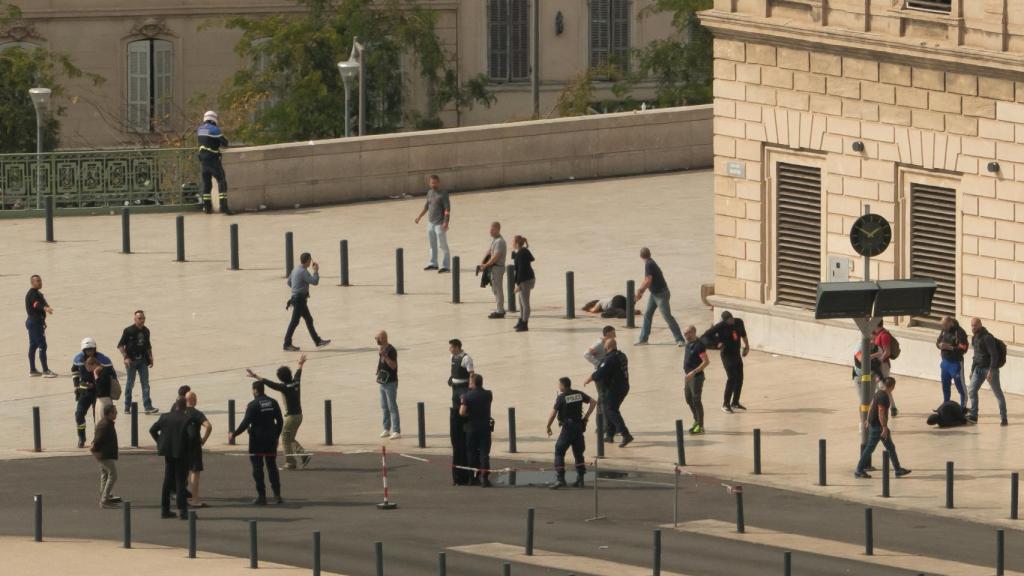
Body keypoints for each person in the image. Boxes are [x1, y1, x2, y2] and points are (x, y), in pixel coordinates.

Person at [247, 355, 311, 470]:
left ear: (281, 379)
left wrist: (255, 376)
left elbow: (270, 383)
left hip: (291, 417)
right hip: (299, 416)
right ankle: (303, 455)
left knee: (285, 437)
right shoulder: (296, 382)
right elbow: (298, 373)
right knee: (290, 438)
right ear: (290, 375)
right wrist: (300, 364)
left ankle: (290, 463)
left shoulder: (284, 387)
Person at [230, 380, 285, 505]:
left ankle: (262, 496)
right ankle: (277, 495)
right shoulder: (273, 402)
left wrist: (234, 434)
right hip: (271, 439)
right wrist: (276, 436)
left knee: (257, 468)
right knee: (272, 466)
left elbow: (245, 423)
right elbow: (280, 421)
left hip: (257, 441)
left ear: (255, 390)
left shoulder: (253, 405)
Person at [855, 377, 911, 479]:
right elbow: (881, 412)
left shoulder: (879, 393)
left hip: (876, 425)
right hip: (878, 428)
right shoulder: (884, 396)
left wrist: (868, 419)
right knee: (870, 449)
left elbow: (871, 405)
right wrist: (884, 427)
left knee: (890, 447)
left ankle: (898, 469)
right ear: (892, 386)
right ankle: (859, 470)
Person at [546, 377, 597, 489]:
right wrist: (586, 417)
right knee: (578, 453)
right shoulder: (578, 394)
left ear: (563, 386)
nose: (558, 386)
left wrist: (548, 426)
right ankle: (580, 479)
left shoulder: (561, 398)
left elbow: (553, 414)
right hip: (579, 427)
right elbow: (593, 402)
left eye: (559, 385)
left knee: (559, 451)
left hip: (568, 428)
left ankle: (560, 479)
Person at [585, 338, 633, 447]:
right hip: (624, 386)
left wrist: (590, 378)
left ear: (607, 347)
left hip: (615, 388)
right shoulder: (622, 355)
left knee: (611, 410)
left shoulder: (610, 358)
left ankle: (625, 434)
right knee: (610, 409)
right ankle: (610, 435)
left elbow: (600, 372)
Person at [150, 398, 191, 519]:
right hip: (181, 453)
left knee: (167, 480)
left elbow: (152, 430)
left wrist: (160, 442)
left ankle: (165, 509)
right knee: (180, 481)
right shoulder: (186, 419)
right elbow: (192, 436)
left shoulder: (164, 417)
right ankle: (182, 510)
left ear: (175, 406)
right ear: (185, 407)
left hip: (168, 452)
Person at [635, 247, 684, 346]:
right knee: (647, 314)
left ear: (640, 256)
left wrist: (640, 291)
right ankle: (643, 339)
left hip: (661, 295)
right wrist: (640, 291)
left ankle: (680, 339)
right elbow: (647, 280)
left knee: (667, 317)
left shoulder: (649, 264)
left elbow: (648, 280)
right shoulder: (651, 262)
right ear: (650, 254)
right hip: (654, 294)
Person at [283, 252, 330, 352]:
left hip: (297, 298)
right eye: (310, 260)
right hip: (299, 300)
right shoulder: (304, 272)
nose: (310, 262)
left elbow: (289, 282)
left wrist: (296, 288)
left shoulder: (295, 269)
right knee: (294, 322)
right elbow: (315, 282)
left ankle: (317, 341)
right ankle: (286, 344)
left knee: (309, 319)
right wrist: (316, 271)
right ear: (308, 260)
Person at [704, 311, 749, 413]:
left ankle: (735, 402)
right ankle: (725, 404)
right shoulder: (720, 326)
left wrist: (747, 346)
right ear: (724, 321)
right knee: (732, 378)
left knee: (740, 378)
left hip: (736, 354)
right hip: (727, 355)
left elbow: (743, 334)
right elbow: (706, 335)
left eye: (731, 319)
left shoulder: (739, 322)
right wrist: (717, 343)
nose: (731, 321)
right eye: (728, 320)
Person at [73, 338, 113, 448]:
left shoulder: (103, 360)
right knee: (79, 415)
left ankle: (97, 439)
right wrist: (76, 385)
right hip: (84, 393)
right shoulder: (78, 359)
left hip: (98, 393)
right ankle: (81, 437)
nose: (89, 352)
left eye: (91, 349)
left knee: (98, 417)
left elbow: (111, 376)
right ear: (83, 350)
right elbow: (74, 371)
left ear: (95, 349)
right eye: (87, 350)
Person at [968, 318, 1008, 426]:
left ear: (980, 325)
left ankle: (1004, 418)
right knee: (972, 390)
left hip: (989, 369)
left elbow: (994, 355)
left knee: (998, 393)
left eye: (975, 325)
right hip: (978, 369)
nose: (973, 328)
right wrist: (972, 370)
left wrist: (991, 370)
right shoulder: (974, 338)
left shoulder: (987, 338)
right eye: (972, 325)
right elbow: (976, 356)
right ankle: (973, 415)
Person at [116, 310, 158, 415]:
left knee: (145, 384)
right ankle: (127, 406)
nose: (142, 320)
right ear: (135, 319)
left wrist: (151, 357)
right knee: (130, 383)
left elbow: (148, 346)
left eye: (143, 318)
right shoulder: (128, 331)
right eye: (140, 318)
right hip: (131, 361)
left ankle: (148, 406)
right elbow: (120, 345)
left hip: (143, 360)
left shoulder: (146, 331)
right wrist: (125, 357)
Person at [447, 339, 475, 486]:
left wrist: (470, 387)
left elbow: (471, 373)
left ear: (457, 347)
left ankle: (463, 424)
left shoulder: (466, 358)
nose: (450, 349)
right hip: (455, 388)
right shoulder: (452, 357)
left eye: (451, 347)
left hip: (463, 388)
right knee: (455, 408)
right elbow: (452, 370)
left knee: (463, 409)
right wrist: (451, 378)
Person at [459, 374, 494, 487]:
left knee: (471, 452)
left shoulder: (467, 396)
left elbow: (462, 412)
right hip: (485, 428)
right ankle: (484, 477)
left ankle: (472, 478)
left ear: (473, 383)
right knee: (484, 453)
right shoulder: (488, 394)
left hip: (472, 428)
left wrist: (468, 412)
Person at [584, 325, 617, 442]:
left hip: (607, 374)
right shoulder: (598, 344)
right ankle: (602, 427)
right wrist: (599, 364)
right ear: (607, 334)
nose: (615, 335)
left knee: (605, 400)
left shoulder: (610, 343)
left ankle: (605, 426)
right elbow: (586, 354)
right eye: (613, 333)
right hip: (601, 375)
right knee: (603, 400)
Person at [414, 175, 451, 273]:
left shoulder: (443, 194)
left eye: (435, 182)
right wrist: (419, 217)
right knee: (432, 244)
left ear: (438, 183)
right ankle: (433, 263)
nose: (433, 184)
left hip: (440, 224)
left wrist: (446, 222)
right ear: (429, 183)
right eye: (432, 183)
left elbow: (447, 209)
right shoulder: (429, 193)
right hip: (430, 223)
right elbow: (427, 206)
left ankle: (446, 266)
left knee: (442, 245)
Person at [197, 110, 230, 214]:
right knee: (222, 181)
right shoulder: (214, 129)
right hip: (213, 159)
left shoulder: (200, 129)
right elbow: (225, 143)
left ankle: (207, 207)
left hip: (203, 160)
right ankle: (223, 207)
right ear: (214, 119)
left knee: (207, 184)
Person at [184, 391, 212, 507]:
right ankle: (195, 500)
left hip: (181, 444)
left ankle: (181, 498)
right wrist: (203, 440)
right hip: (194, 444)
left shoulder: (179, 412)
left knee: (182, 471)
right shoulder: (197, 413)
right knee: (194, 471)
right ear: (194, 400)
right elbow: (208, 426)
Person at [26, 275, 57, 378]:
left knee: (33, 345)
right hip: (34, 323)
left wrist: (43, 320)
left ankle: (33, 370)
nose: (40, 282)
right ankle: (45, 371)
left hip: (35, 322)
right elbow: (36, 304)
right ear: (32, 282)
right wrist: (45, 308)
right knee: (42, 345)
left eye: (40, 280)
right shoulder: (32, 294)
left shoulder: (37, 293)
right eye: (37, 281)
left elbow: (39, 304)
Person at [90, 403, 121, 509]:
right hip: (104, 455)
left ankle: (104, 495)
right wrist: (95, 452)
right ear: (109, 413)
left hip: (104, 454)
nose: (116, 413)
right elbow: (96, 441)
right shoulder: (105, 425)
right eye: (115, 412)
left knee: (105, 474)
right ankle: (105, 500)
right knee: (113, 475)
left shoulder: (107, 423)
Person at [936, 316, 969, 408]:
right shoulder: (944, 330)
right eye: (942, 325)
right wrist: (939, 345)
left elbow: (963, 348)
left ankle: (963, 407)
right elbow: (938, 342)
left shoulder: (960, 332)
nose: (943, 327)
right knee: (945, 385)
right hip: (945, 363)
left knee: (960, 386)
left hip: (956, 363)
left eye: (945, 325)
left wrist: (949, 347)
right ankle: (945, 405)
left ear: (950, 323)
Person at [682, 325, 710, 435]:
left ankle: (701, 426)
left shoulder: (699, 345)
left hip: (696, 378)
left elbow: (706, 362)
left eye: (688, 333)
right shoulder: (688, 344)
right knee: (688, 399)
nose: (686, 335)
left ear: (694, 332)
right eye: (684, 334)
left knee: (696, 400)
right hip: (688, 377)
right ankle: (696, 420)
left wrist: (693, 372)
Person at [478, 222, 508, 319]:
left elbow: (496, 256)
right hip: (494, 268)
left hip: (497, 268)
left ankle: (500, 310)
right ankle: (499, 308)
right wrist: (482, 263)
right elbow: (489, 252)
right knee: (495, 289)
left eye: (492, 229)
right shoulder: (495, 240)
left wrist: (486, 265)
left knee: (498, 289)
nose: (490, 231)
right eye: (490, 229)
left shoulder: (500, 241)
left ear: (498, 229)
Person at [375, 331, 401, 440]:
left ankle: (396, 431)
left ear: (384, 338)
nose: (377, 340)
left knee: (392, 406)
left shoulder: (391, 350)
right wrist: (378, 371)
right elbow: (381, 363)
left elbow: (393, 366)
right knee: (384, 406)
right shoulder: (381, 349)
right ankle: (386, 428)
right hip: (383, 382)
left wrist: (385, 356)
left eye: (378, 338)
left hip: (391, 382)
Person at [871, 321, 898, 416]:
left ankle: (892, 407)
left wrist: (879, 361)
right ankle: (892, 407)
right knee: (880, 386)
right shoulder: (876, 334)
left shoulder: (884, 335)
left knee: (883, 386)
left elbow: (887, 352)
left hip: (883, 365)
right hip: (876, 365)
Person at [511, 235, 535, 332]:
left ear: (517, 244)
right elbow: (529, 259)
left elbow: (521, 270)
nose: (512, 244)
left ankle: (525, 324)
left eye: (513, 242)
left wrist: (519, 284)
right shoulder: (523, 251)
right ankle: (521, 320)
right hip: (526, 279)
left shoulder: (521, 254)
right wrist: (514, 251)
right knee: (521, 302)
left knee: (525, 303)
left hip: (525, 280)